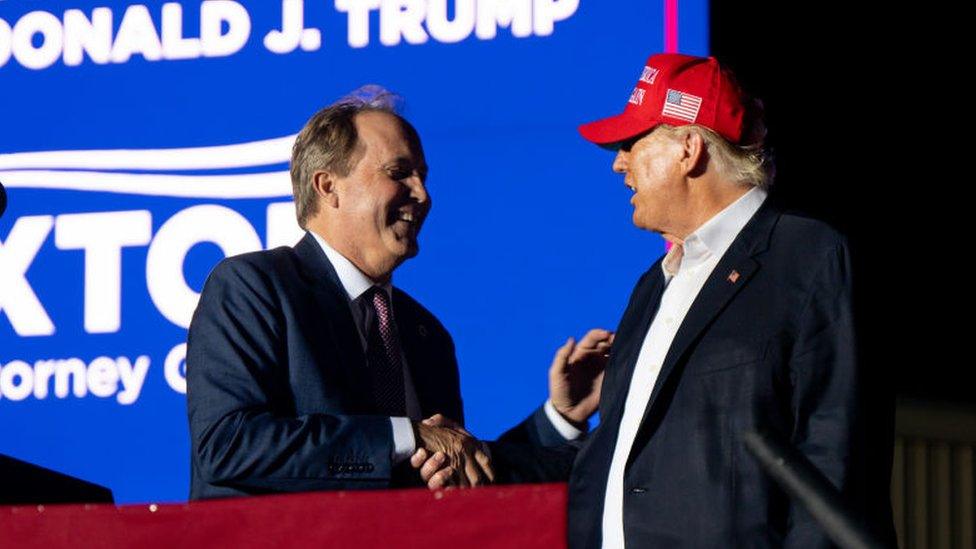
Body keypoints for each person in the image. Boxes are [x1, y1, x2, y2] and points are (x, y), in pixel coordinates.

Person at [417, 53, 892, 547]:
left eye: (630, 142)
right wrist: (491, 452)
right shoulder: (653, 286)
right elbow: (618, 466)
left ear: (689, 149)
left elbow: (833, 455)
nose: (618, 162)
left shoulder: (807, 255)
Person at [186, 86, 610, 499]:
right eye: (398, 173)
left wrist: (559, 419)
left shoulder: (423, 331)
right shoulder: (254, 287)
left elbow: (455, 465)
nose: (422, 195)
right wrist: (406, 435)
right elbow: (228, 446)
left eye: (422, 176)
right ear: (327, 186)